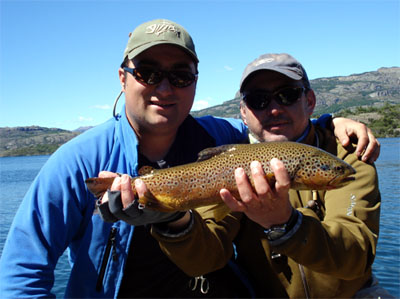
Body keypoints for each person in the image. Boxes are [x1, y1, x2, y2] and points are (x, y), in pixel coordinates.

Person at [0, 17, 379, 298]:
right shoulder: (75, 164)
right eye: (148, 73)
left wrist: (331, 124)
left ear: (196, 81)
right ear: (123, 78)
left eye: (180, 76)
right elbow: (21, 275)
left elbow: (279, 131)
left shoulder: (223, 137)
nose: (164, 88)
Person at [148, 54, 389, 298]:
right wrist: (174, 219)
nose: (274, 109)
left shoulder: (349, 154)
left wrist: (287, 223)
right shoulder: (235, 166)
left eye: (288, 95)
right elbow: (203, 260)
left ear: (310, 100)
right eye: (258, 100)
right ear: (243, 112)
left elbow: (356, 256)